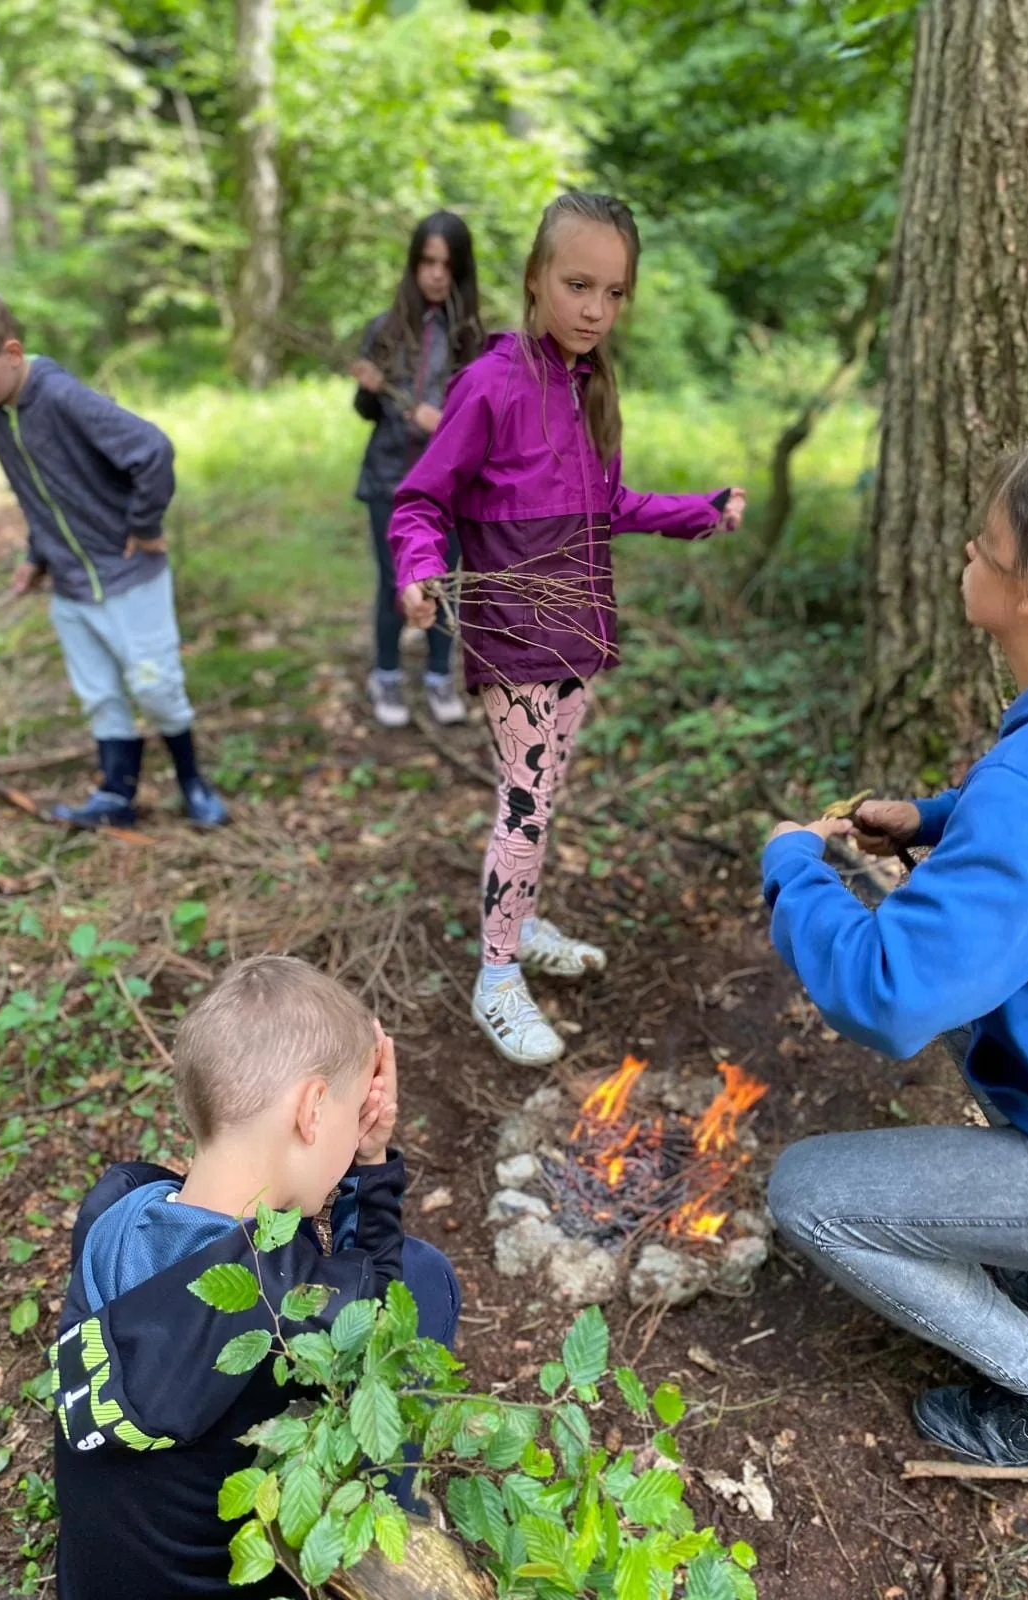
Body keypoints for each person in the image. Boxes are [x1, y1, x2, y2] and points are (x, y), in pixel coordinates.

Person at [763, 436, 1028, 1473]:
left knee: (809, 1191)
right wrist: (938, 820)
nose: (962, 562)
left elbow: (888, 995)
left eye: (981, 547)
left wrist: (795, 868)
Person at [389, 191, 746, 1068]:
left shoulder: (588, 390)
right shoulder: (491, 384)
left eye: (614, 292)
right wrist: (417, 566)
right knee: (527, 796)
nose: (595, 309)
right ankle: (497, 975)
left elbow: (609, 503)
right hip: (511, 629)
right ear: (536, 280)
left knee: (543, 797)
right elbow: (422, 497)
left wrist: (698, 511)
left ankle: (519, 915)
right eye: (578, 284)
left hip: (576, 625)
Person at [50, 954, 460, 1600]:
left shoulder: (114, 1208)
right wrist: (372, 1165)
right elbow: (383, 1314)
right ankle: (385, 1520)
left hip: (95, 1583)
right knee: (424, 1282)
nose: (357, 1134)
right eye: (353, 1117)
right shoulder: (286, 1311)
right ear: (313, 1110)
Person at [0, 279, 227, 830]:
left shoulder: (59, 396)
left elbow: (153, 449)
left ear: (11, 353)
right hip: (72, 585)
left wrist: (144, 526)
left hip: (130, 575)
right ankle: (116, 796)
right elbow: (37, 492)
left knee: (155, 684)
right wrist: (37, 555)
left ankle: (192, 782)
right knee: (99, 692)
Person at [353, 211, 483, 729]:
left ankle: (437, 674)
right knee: (393, 581)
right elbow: (366, 412)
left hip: (448, 488)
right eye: (427, 262)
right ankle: (385, 674)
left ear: (460, 270)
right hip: (389, 477)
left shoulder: (473, 335)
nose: (435, 274)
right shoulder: (383, 329)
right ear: (413, 265)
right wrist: (369, 388)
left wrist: (444, 423)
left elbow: (485, 419)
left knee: (440, 582)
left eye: (446, 265)